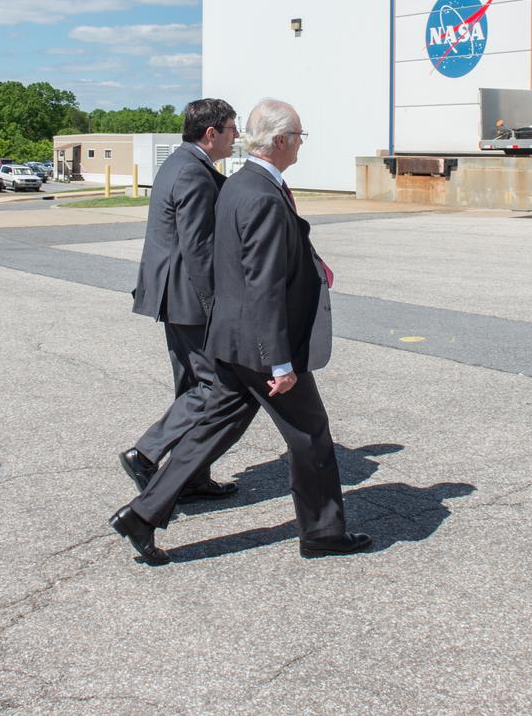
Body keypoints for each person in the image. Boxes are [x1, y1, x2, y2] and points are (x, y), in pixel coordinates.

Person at [110, 99, 371, 564]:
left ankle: (141, 515)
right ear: (280, 141)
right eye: (299, 136)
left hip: (232, 336)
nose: (300, 145)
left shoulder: (238, 184)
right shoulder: (259, 194)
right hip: (258, 342)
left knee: (216, 425)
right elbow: (263, 283)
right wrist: (280, 360)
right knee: (310, 435)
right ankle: (323, 531)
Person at [119, 98, 239, 502]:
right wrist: (217, 306)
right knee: (212, 387)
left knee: (190, 386)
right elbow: (198, 248)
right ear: (211, 134)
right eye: (231, 129)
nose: (235, 136)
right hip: (188, 296)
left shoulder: (180, 163)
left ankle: (192, 476)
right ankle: (147, 452)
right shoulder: (192, 172)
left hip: (173, 294)